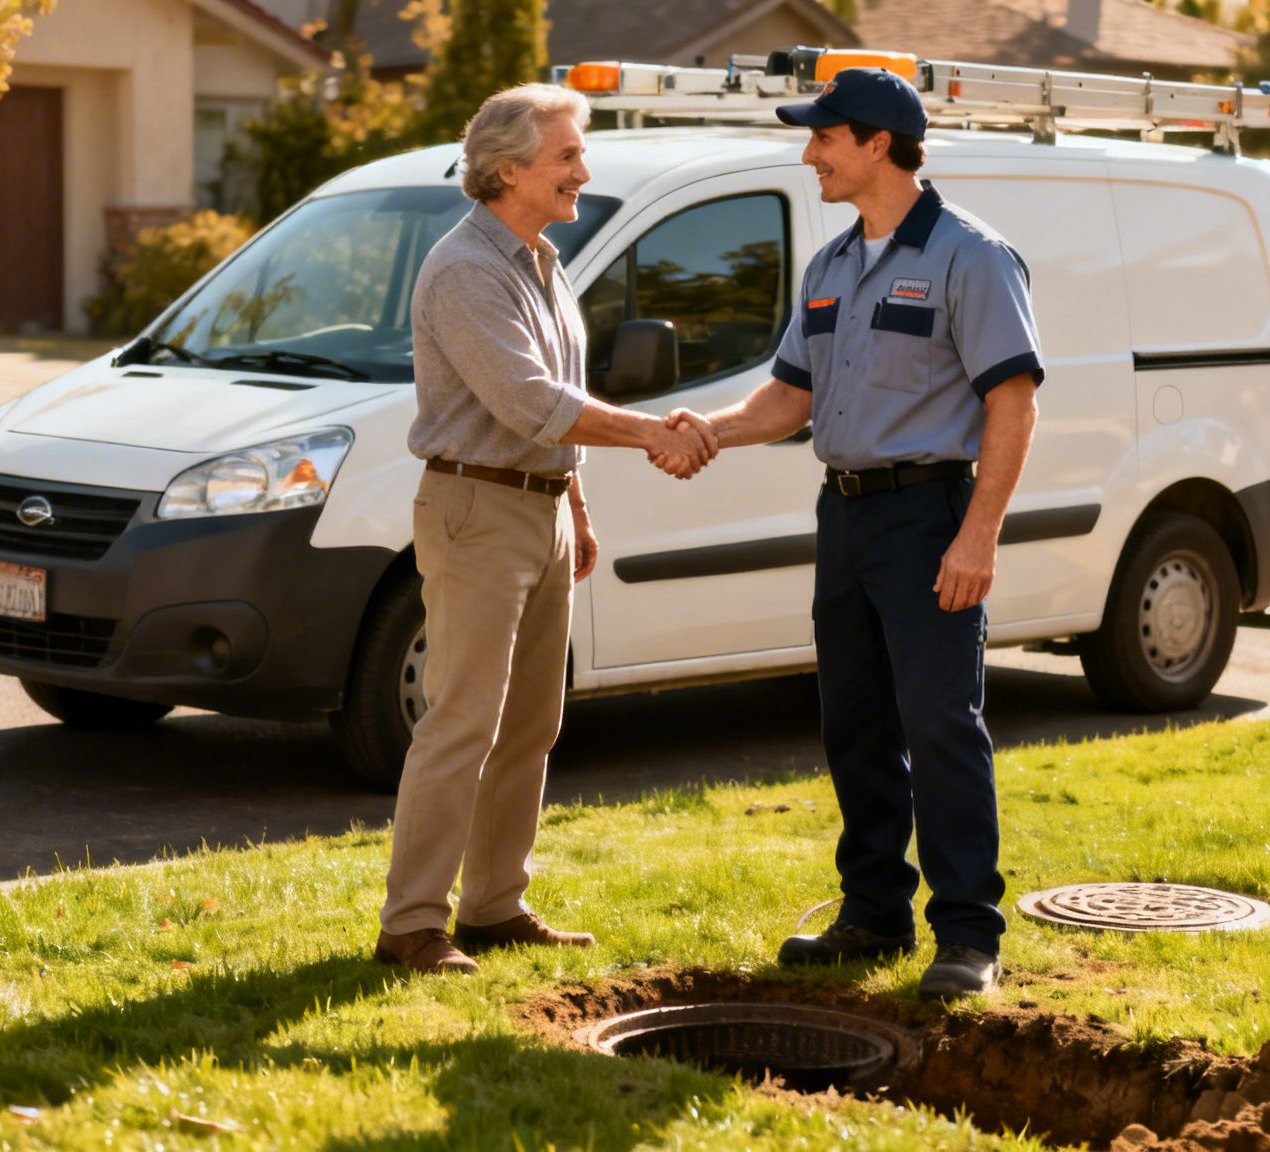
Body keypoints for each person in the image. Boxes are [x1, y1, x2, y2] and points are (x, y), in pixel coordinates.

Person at [678, 67, 1043, 999]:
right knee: (856, 723)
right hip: (843, 515)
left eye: (824, 138)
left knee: (940, 725)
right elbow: (789, 398)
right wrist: (707, 431)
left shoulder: (971, 256)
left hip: (929, 515)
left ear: (879, 144)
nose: (810, 155)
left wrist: (979, 536)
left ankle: (968, 936)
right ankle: (874, 913)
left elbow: (1012, 404)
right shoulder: (830, 266)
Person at [374, 83, 717, 976]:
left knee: (531, 721)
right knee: (462, 722)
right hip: (477, 510)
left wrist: (577, 505)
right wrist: (653, 432)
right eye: (567, 156)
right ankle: (411, 925)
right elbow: (530, 401)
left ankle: (494, 907)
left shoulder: (541, 260)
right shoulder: (465, 270)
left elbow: (555, 400)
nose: (582, 172)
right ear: (506, 169)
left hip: (540, 506)